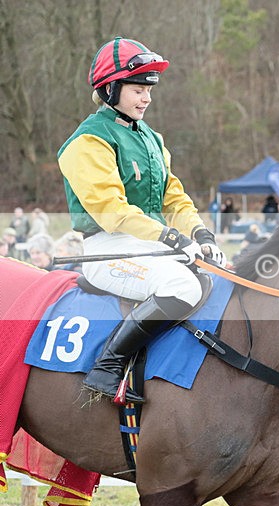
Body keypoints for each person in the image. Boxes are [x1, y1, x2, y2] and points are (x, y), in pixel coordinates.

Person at [57, 37, 226, 404]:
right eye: (137, 90)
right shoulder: (88, 141)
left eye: (149, 90)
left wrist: (200, 233)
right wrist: (170, 238)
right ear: (111, 89)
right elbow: (111, 210)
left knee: (217, 280)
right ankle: (108, 366)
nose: (146, 98)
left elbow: (174, 198)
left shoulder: (152, 138)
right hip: (106, 247)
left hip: (149, 244)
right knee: (183, 288)